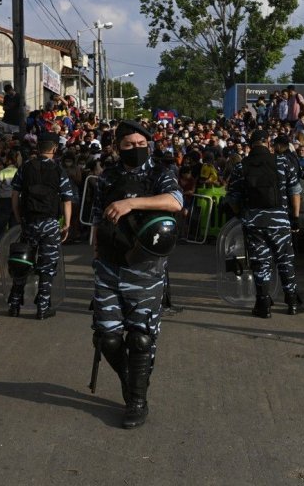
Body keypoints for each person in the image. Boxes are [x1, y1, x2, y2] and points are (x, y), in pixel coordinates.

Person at [90, 120, 182, 429]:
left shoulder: (159, 174)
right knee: (108, 338)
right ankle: (132, 381)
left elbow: (174, 202)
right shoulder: (106, 179)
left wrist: (131, 203)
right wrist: (96, 252)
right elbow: (95, 220)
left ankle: (136, 401)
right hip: (108, 265)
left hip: (145, 267)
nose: (136, 150)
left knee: (141, 338)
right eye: (129, 145)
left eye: (141, 145)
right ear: (117, 148)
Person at [225, 129, 304, 318]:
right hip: (280, 221)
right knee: (285, 261)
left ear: (251, 145)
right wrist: (294, 218)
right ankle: (293, 301)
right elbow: (295, 191)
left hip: (254, 222)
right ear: (268, 143)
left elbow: (232, 198)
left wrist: (242, 215)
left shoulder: (241, 167)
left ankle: (263, 304)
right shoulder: (282, 162)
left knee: (260, 263)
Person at [8, 133, 73, 319]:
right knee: (47, 265)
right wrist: (67, 224)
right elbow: (67, 200)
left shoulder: (26, 167)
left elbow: (15, 195)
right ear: (54, 149)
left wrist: (19, 217)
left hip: (29, 222)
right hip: (50, 223)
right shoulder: (58, 170)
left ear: (38, 148)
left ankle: (14, 304)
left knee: (23, 261)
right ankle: (43, 307)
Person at [0, 153, 18, 265]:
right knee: (13, 230)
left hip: (3, 203)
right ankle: (13, 255)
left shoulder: (2, 173)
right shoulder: (19, 172)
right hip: (15, 203)